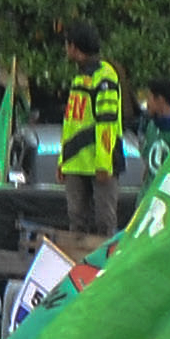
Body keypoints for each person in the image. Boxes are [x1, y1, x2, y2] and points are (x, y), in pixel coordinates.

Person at [53, 22, 127, 240]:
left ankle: (103, 269)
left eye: (68, 45)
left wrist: (104, 163)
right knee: (77, 221)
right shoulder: (79, 77)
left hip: (99, 161)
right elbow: (71, 122)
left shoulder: (105, 76)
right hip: (76, 161)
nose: (66, 50)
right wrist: (63, 160)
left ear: (75, 47)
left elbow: (107, 122)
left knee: (104, 222)